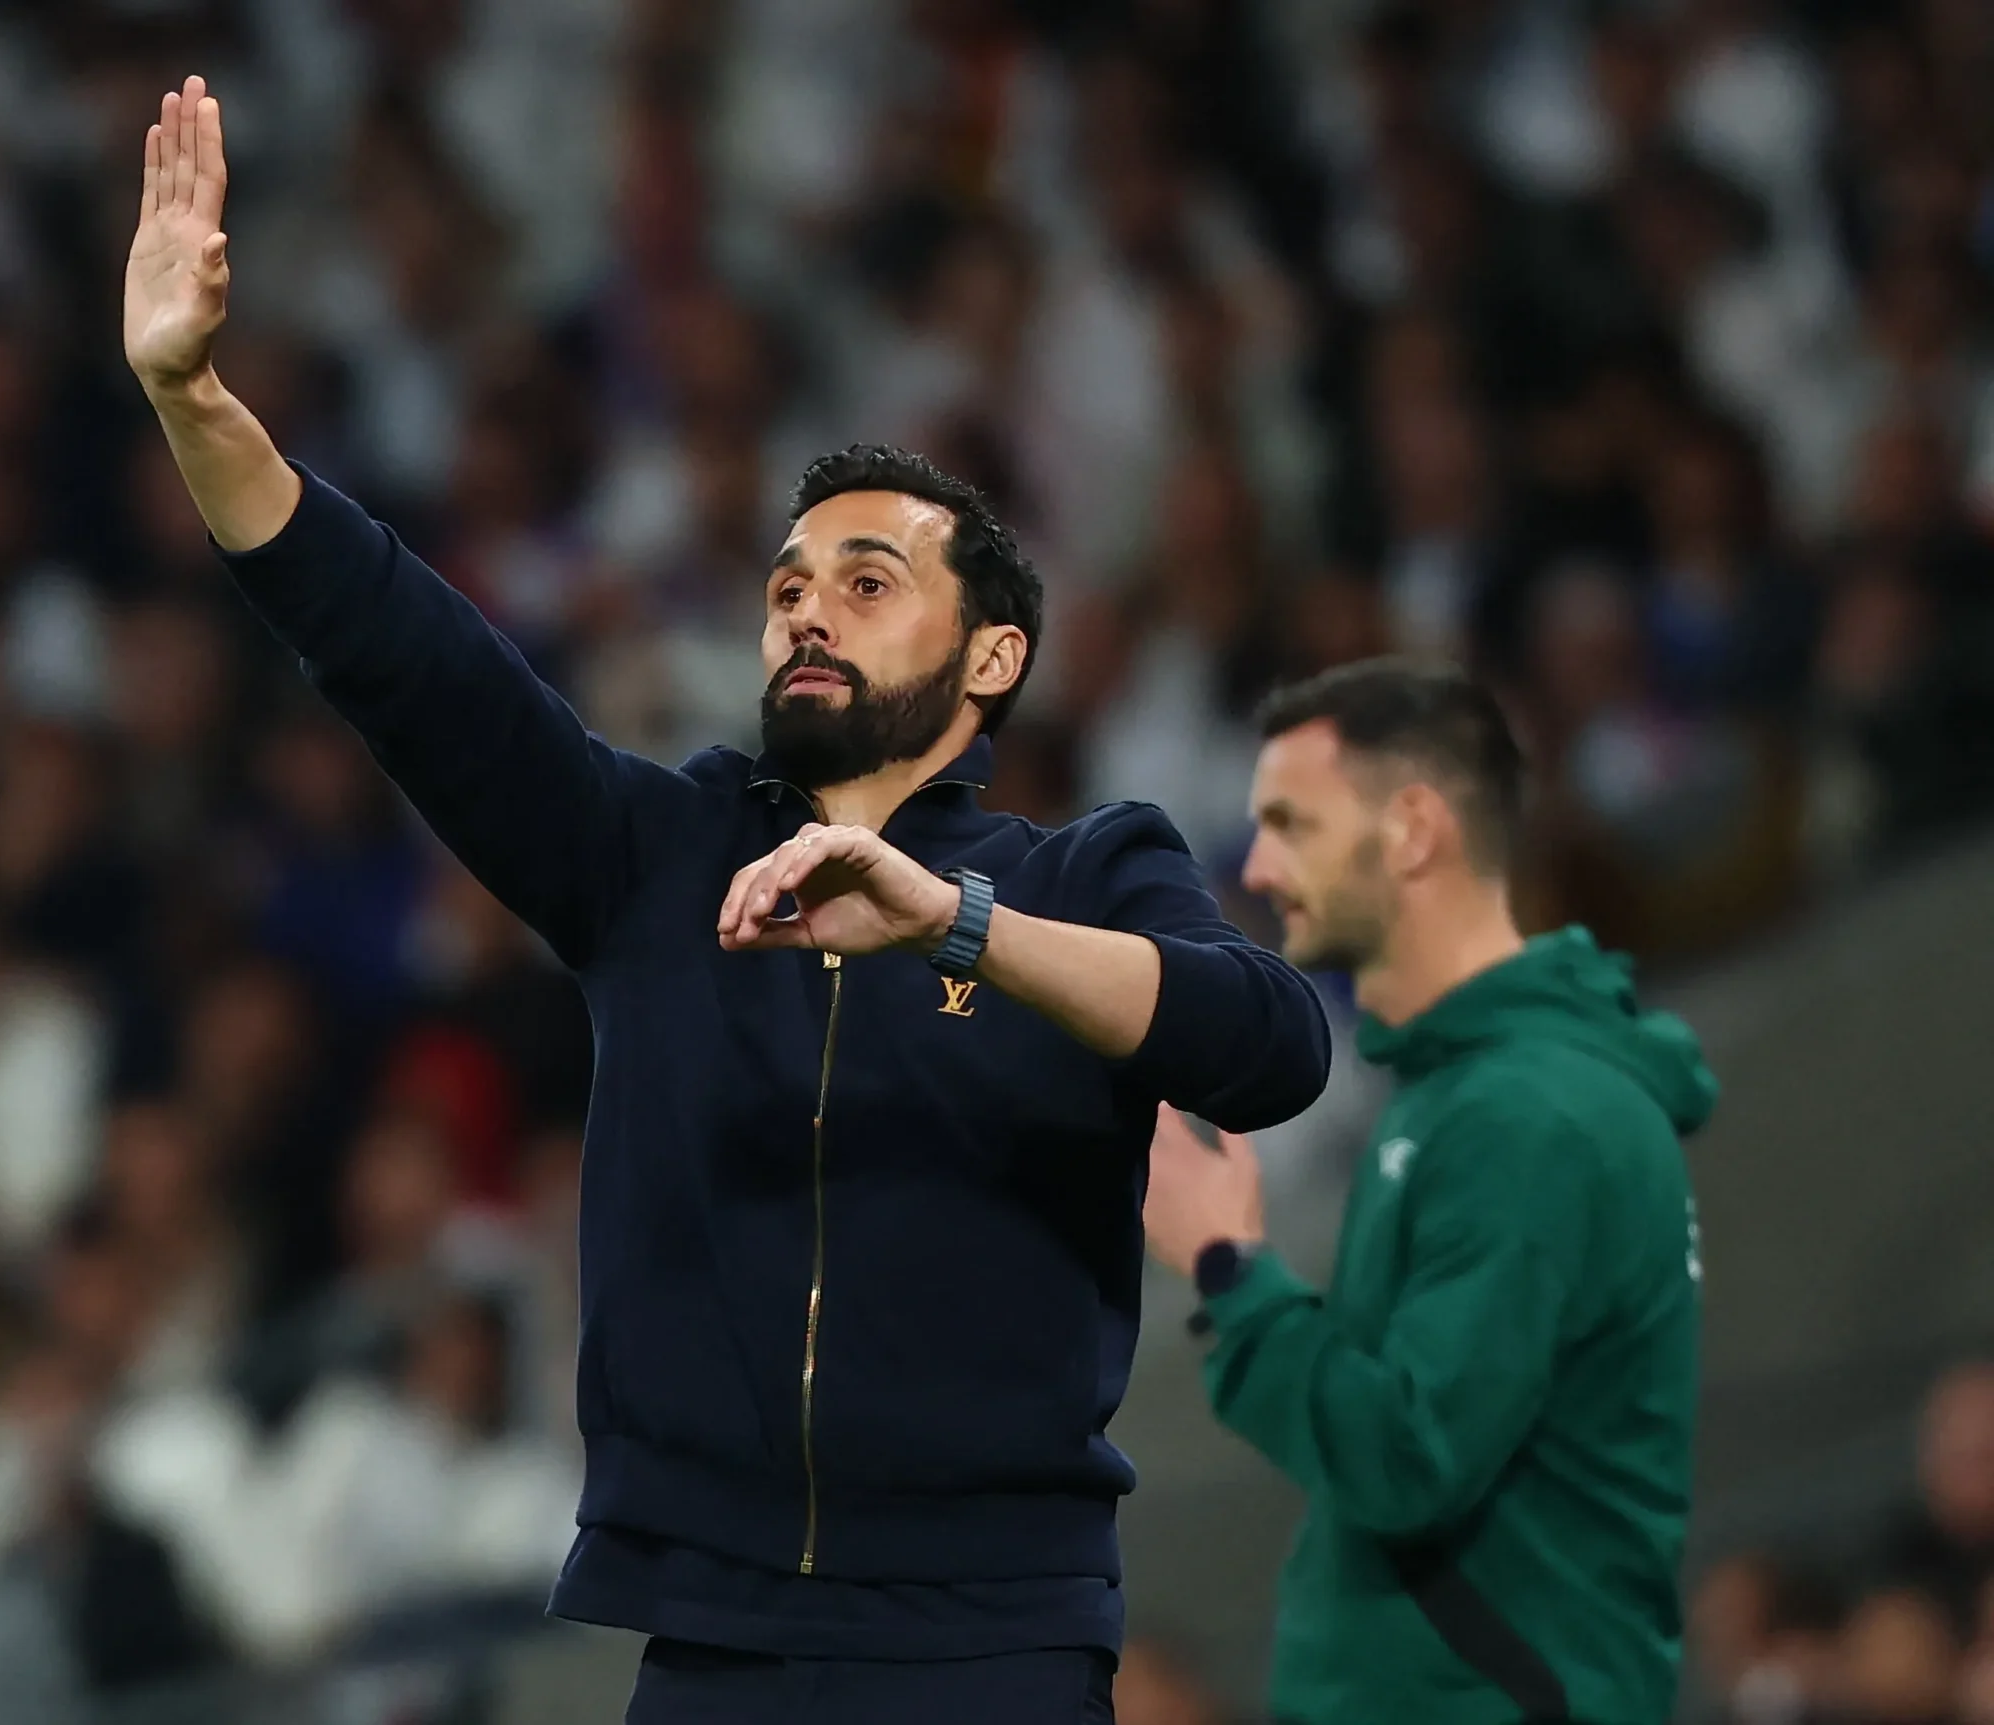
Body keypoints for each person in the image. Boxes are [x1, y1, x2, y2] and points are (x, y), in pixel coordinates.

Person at [125, 77, 1331, 1724]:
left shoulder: (1087, 871)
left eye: (865, 580)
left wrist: (955, 925)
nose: (805, 612)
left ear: (992, 661)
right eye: (784, 588)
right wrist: (198, 401)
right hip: (710, 1648)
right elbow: (410, 656)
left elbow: (1266, 1047)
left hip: (997, 1641)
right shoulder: (655, 859)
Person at [1141, 660, 1719, 1725]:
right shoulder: (1456, 1096)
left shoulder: (1527, 1117)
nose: (1257, 866)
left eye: (1289, 823)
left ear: (1411, 830)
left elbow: (1408, 1457)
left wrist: (1228, 1267)